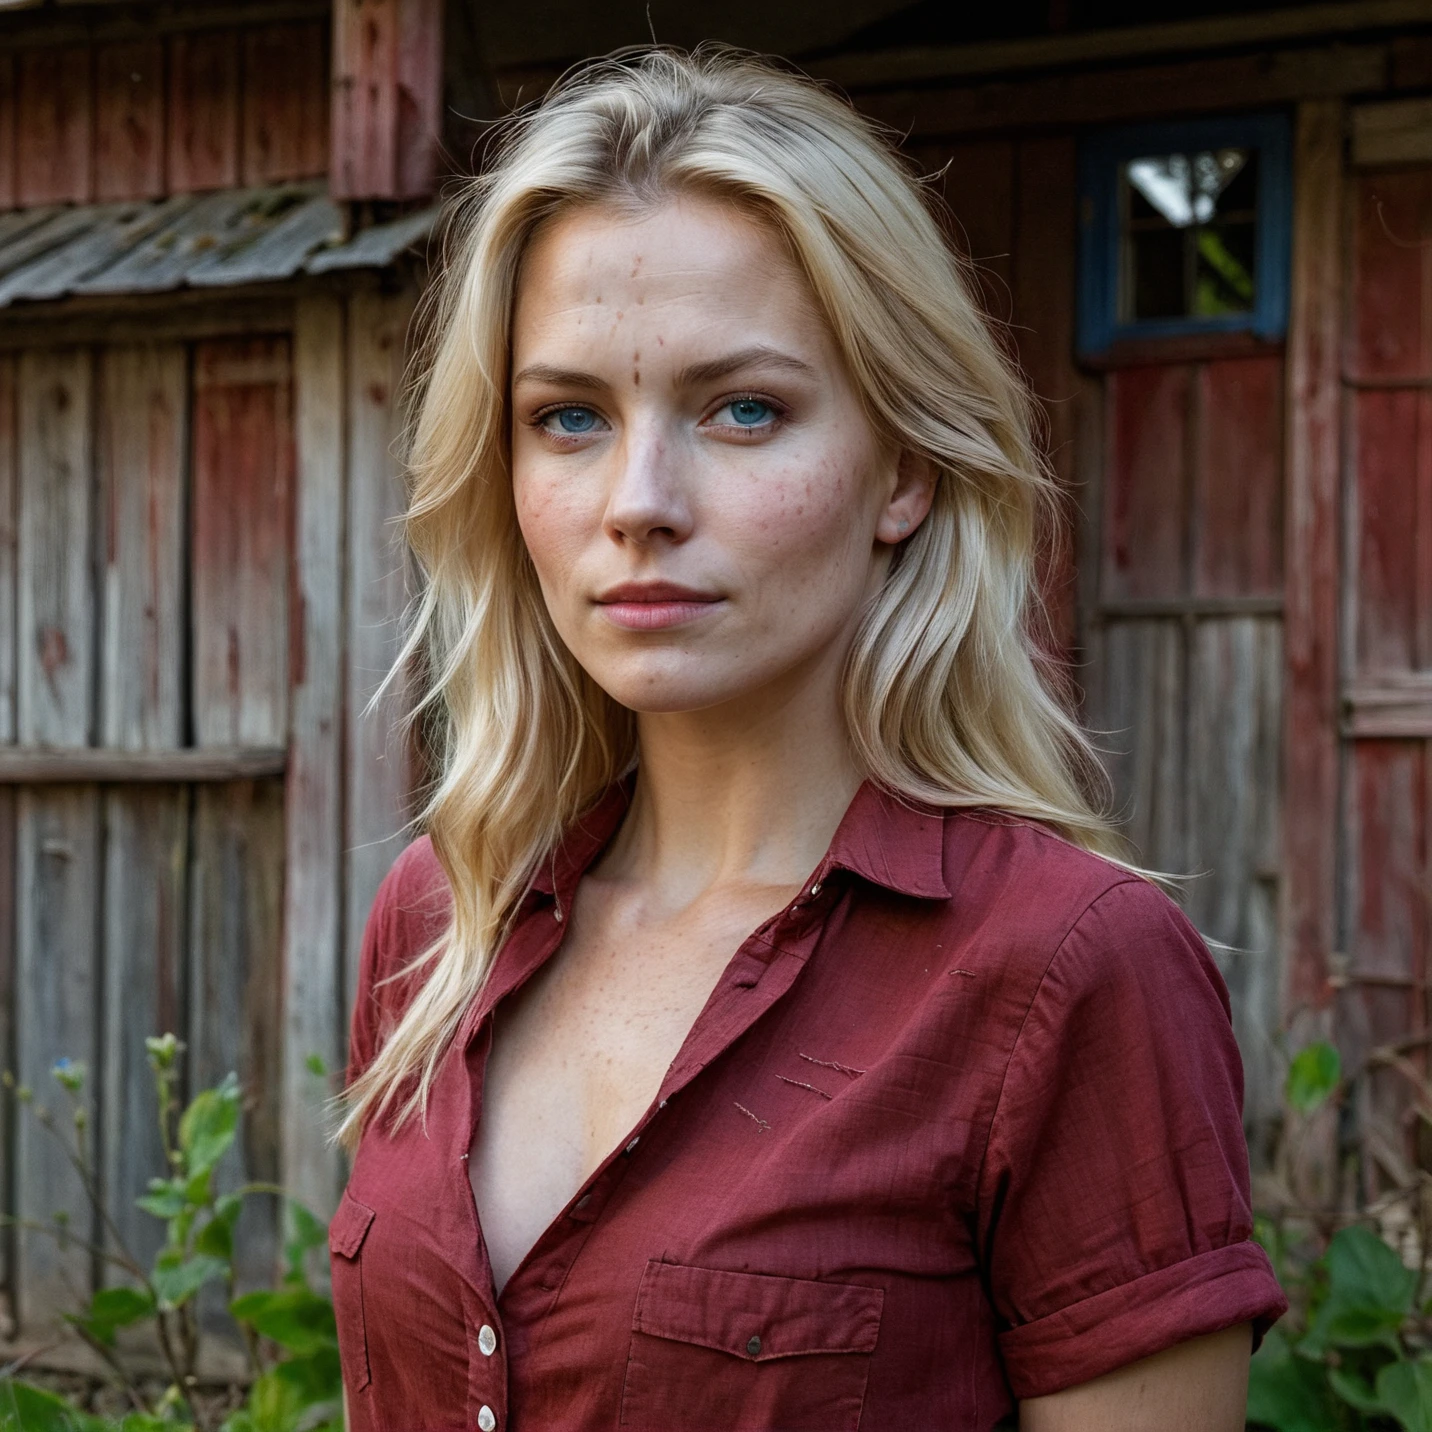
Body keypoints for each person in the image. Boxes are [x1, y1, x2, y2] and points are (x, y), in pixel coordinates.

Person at [331, 47, 1286, 1432]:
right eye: (570, 418)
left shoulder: (1067, 974)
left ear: (901, 469)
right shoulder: (440, 922)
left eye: (744, 410)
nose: (638, 501)